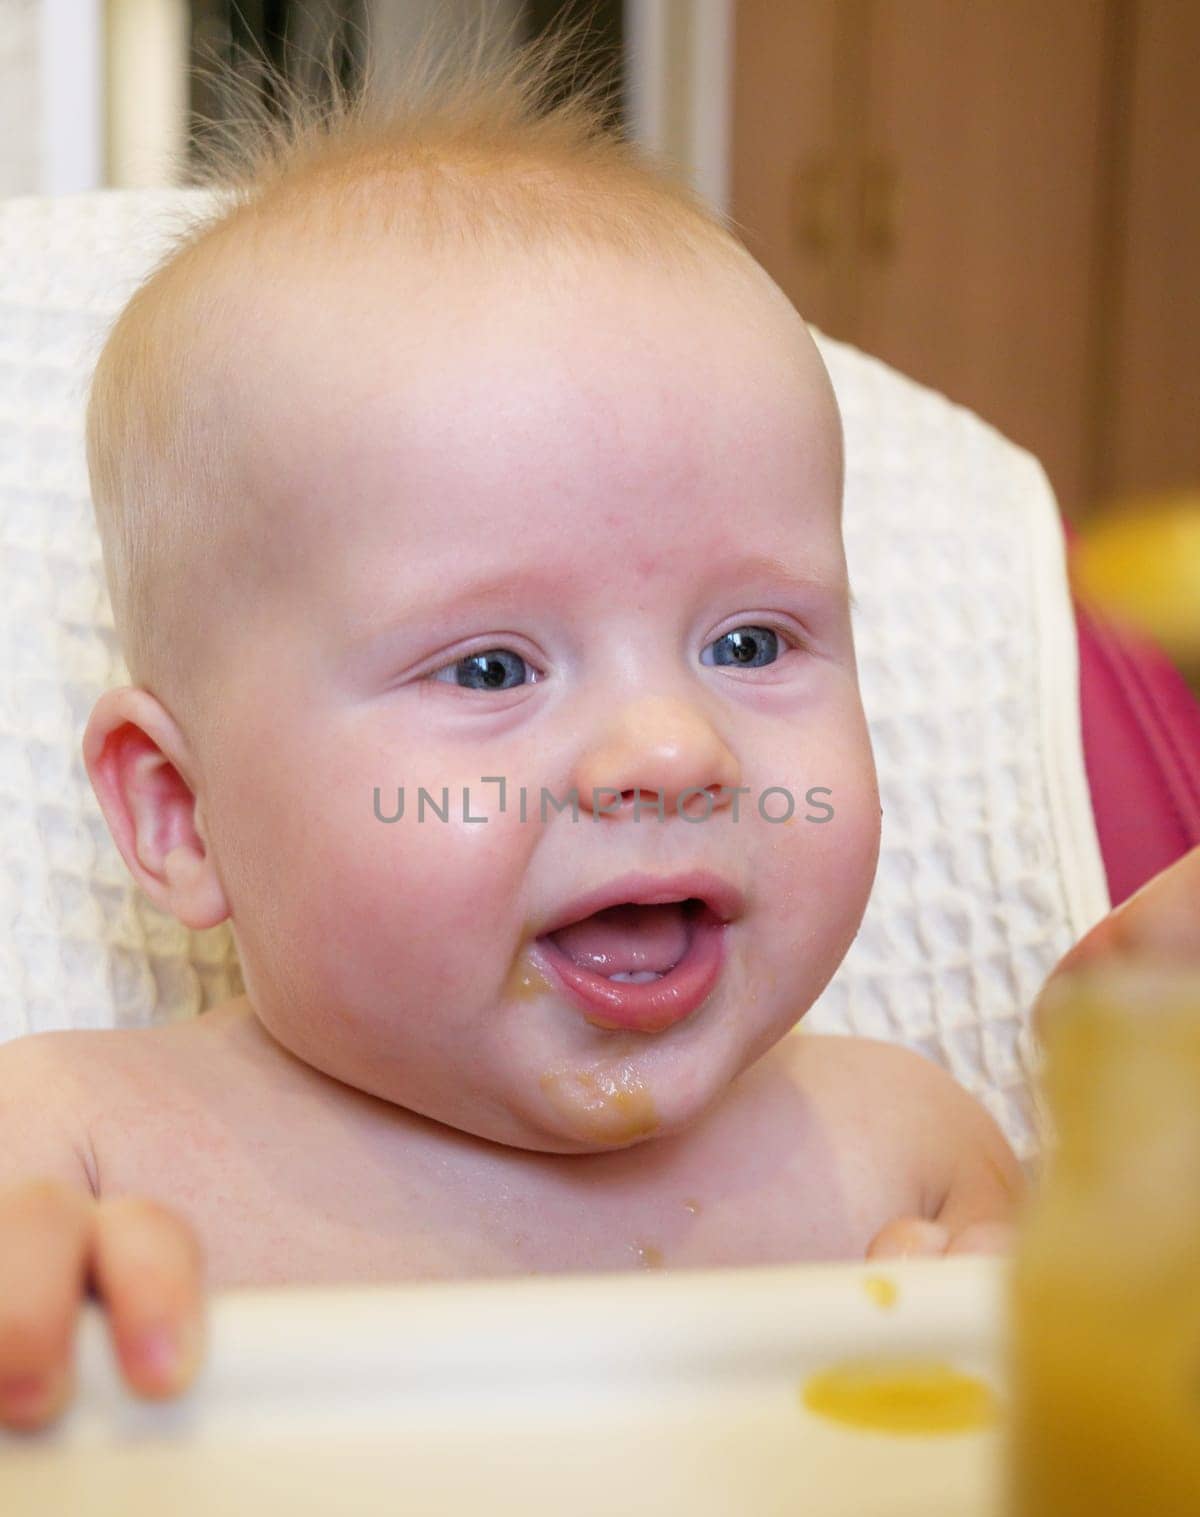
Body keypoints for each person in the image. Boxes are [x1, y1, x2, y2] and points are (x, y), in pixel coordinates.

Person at [0, 22, 1026, 1435]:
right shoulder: (73, 1149)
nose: (672, 750)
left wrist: (1043, 1362)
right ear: (181, 812)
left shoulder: (903, 1163)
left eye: (749, 643)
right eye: (489, 669)